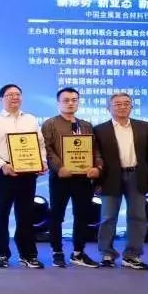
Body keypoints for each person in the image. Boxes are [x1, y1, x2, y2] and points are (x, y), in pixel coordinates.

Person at [0, 83, 48, 269]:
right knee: (0, 214)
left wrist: (42, 161)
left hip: (27, 171)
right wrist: (2, 164)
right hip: (2, 171)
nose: (15, 97)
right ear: (1, 99)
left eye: (18, 94)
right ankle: (2, 254)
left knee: (26, 214)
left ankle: (28, 254)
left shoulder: (31, 119)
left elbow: (40, 144)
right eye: (10, 95)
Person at [93, 92, 148, 270]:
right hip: (109, 178)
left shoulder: (144, 127)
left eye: (126, 103)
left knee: (138, 216)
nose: (122, 107)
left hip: (137, 176)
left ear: (131, 106)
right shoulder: (99, 130)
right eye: (117, 104)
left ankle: (132, 255)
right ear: (108, 108)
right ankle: (107, 254)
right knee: (108, 217)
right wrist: (96, 182)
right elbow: (96, 157)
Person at [41, 87, 103, 268]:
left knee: (82, 215)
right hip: (60, 177)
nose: (70, 103)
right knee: (57, 215)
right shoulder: (50, 124)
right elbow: (47, 149)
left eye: (74, 100)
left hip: (83, 178)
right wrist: (59, 167)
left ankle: (78, 253)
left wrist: (98, 167)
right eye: (66, 100)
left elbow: (95, 150)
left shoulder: (86, 125)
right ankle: (57, 252)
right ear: (58, 103)